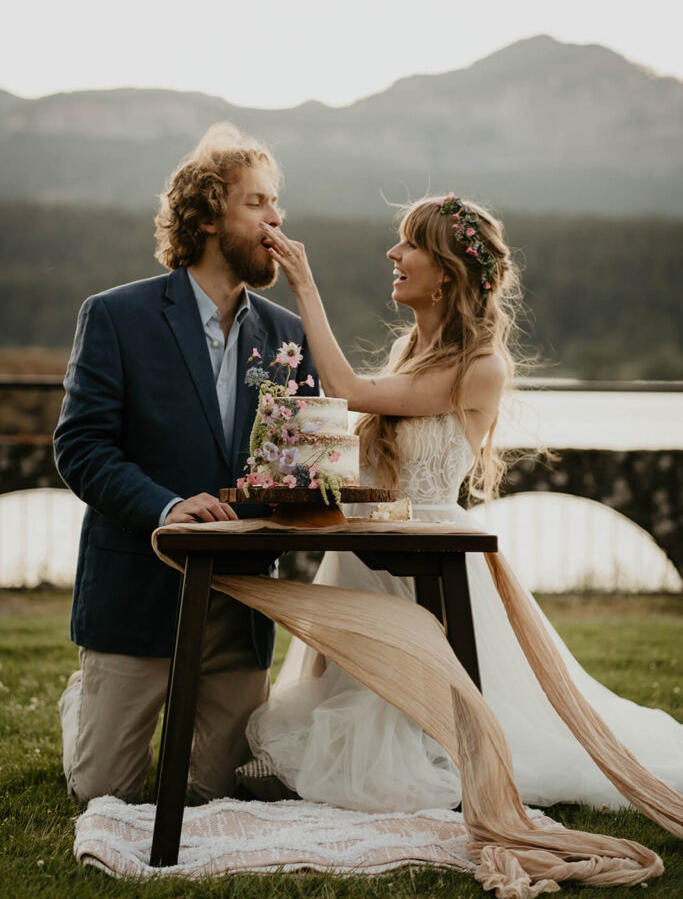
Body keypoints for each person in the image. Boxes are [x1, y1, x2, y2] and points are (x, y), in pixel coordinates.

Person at [237, 193, 683, 814]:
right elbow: (357, 442)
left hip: (433, 558)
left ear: (446, 271)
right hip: (370, 547)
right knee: (339, 714)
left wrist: (305, 286)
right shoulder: (406, 353)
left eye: (410, 243)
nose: (393, 254)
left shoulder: (482, 367)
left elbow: (348, 390)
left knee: (417, 739)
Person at [53, 122, 317, 804]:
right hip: (137, 593)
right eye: (257, 202)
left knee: (213, 793)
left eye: (275, 203)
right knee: (102, 792)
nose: (275, 217)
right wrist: (168, 508)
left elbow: (296, 459)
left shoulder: (288, 337)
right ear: (205, 215)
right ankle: (87, 699)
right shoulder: (116, 316)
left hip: (238, 603)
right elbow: (81, 448)